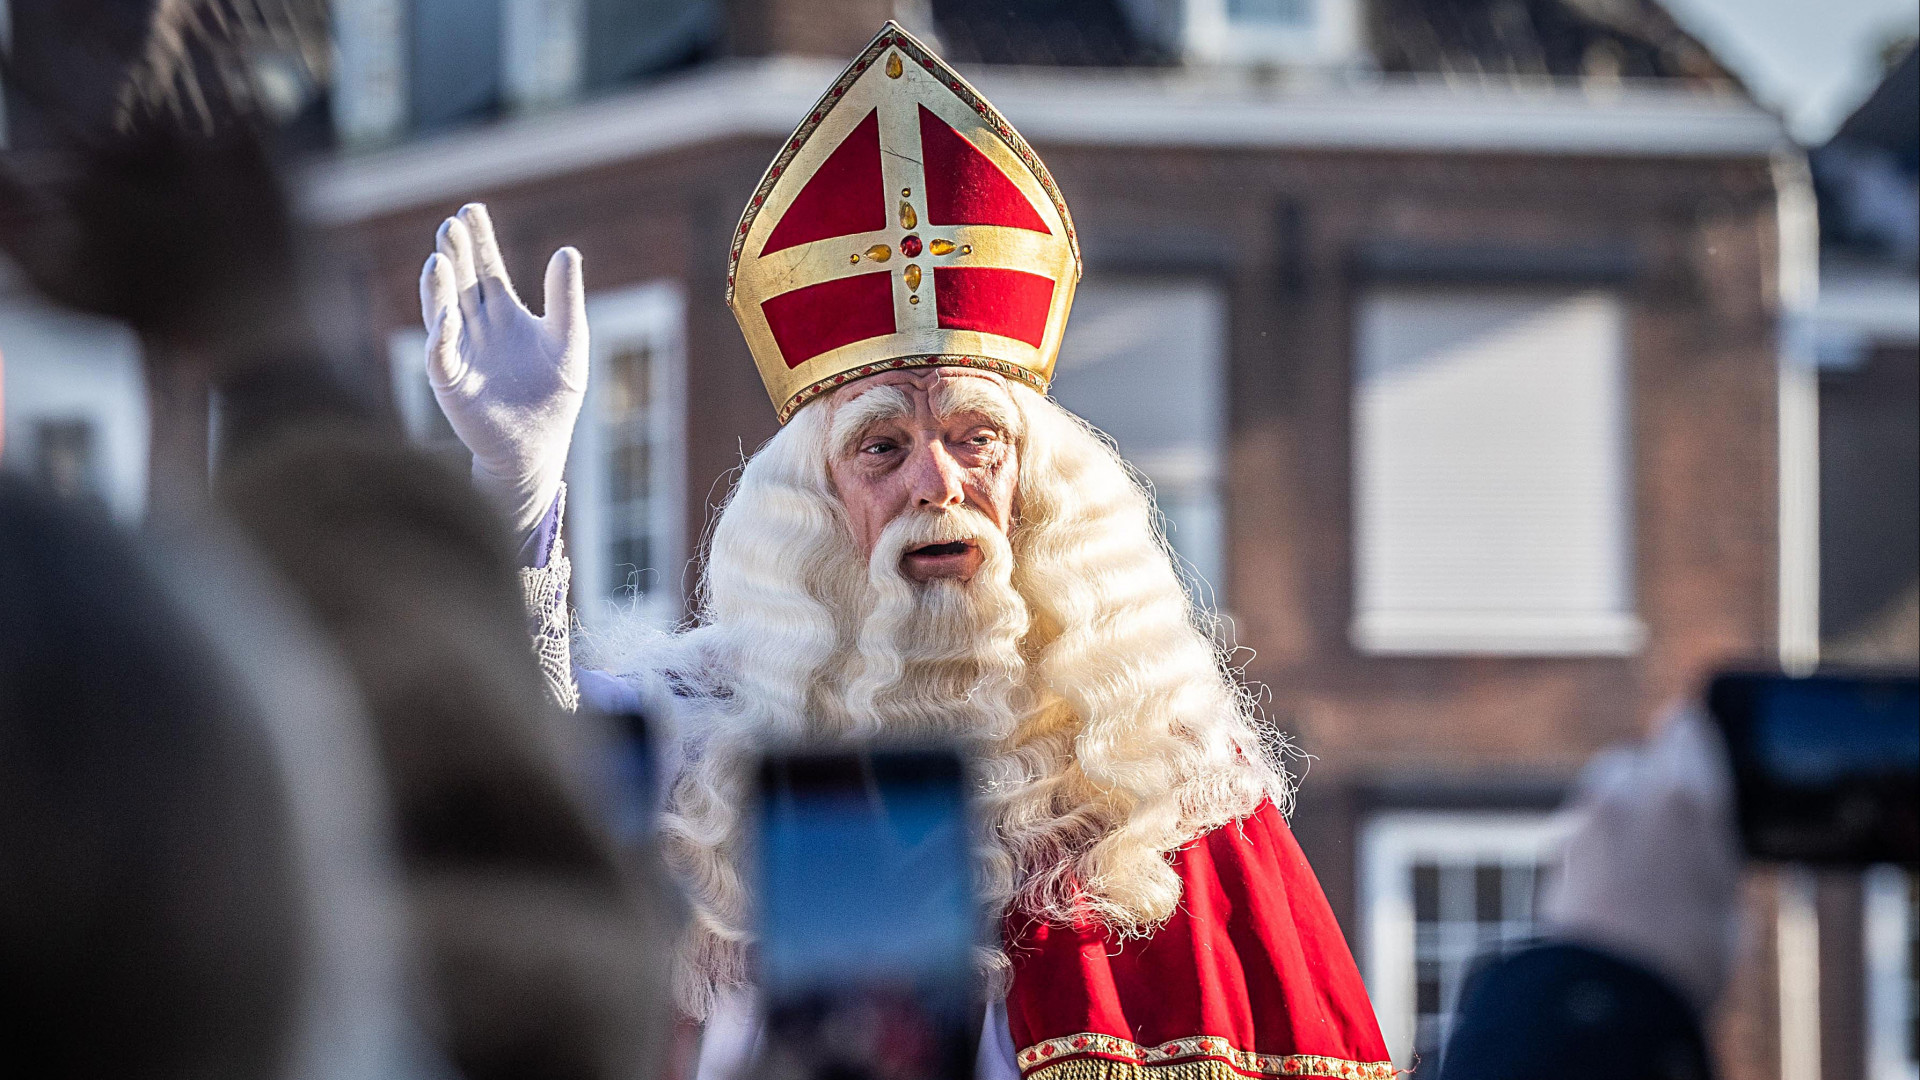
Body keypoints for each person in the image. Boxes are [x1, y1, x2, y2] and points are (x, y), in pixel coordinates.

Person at [419, 21, 1390, 1080]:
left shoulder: (1164, 772)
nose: (938, 483)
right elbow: (497, 789)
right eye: (883, 445)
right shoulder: (709, 738)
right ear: (811, 502)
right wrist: (516, 493)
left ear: (1041, 480)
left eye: (978, 439)